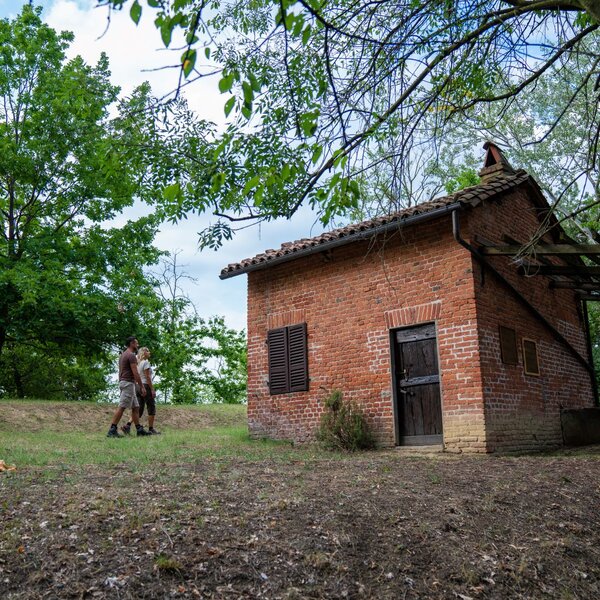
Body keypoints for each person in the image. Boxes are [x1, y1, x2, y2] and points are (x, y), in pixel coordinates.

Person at [107, 336, 149, 438]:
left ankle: (139, 430)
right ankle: (112, 430)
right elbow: (135, 372)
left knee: (136, 407)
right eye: (136, 343)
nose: (138, 345)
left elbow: (121, 371)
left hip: (125, 382)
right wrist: (142, 387)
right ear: (132, 343)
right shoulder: (131, 356)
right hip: (128, 383)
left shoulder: (123, 355)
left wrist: (121, 383)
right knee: (122, 407)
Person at [122, 347, 161, 435]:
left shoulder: (137, 364)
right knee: (151, 407)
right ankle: (151, 429)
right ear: (143, 353)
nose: (149, 352)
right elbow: (148, 377)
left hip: (138, 386)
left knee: (138, 408)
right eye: (147, 351)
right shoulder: (146, 363)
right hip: (146, 386)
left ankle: (127, 426)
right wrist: (152, 389)